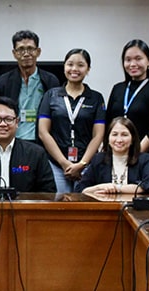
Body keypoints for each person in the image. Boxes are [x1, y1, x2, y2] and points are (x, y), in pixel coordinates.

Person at [38, 49, 106, 193]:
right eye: (70, 64)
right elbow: (43, 132)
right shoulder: (51, 95)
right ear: (64, 67)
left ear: (88, 69)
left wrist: (82, 164)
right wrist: (64, 163)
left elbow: (98, 135)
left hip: (86, 166)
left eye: (80, 65)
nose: (74, 69)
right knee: (58, 206)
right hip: (57, 164)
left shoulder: (96, 98)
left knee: (84, 207)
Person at [105, 39, 149, 153]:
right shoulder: (118, 89)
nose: (132, 64)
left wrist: (137, 152)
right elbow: (108, 122)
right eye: (128, 60)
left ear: (148, 61)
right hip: (116, 153)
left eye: (138, 59)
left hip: (143, 156)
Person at [0, 30, 61, 142]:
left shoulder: (51, 81)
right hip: (13, 141)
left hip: (42, 142)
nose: (26, 54)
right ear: (14, 53)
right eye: (20, 49)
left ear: (38, 52)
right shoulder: (3, 82)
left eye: (30, 49)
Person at [76, 117, 149, 195]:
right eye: (114, 134)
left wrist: (117, 188)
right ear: (108, 138)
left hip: (133, 208)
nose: (119, 140)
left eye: (124, 135)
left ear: (132, 139)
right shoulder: (98, 159)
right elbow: (81, 189)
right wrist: (101, 187)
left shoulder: (144, 159)